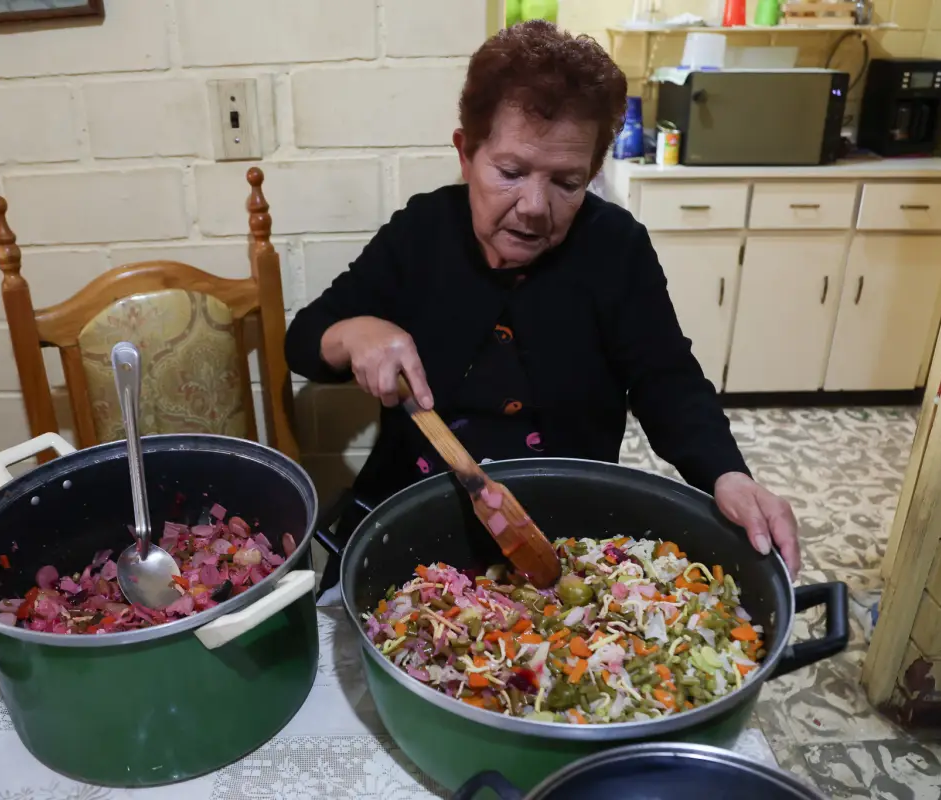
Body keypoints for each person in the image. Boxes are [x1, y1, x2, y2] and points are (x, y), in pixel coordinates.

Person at [286, 21, 800, 598]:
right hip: (408, 520)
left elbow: (667, 379)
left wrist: (727, 474)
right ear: (466, 153)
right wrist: (355, 332)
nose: (534, 206)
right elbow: (304, 340)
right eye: (510, 173)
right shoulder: (422, 232)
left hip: (568, 535)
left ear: (592, 175)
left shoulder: (616, 249)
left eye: (567, 182)